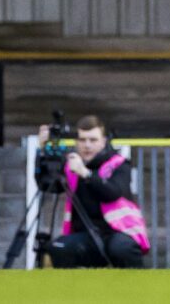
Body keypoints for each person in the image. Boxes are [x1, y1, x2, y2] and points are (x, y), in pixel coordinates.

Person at [42, 115, 149, 268]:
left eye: (93, 140)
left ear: (104, 141)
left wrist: (85, 173)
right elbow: (47, 185)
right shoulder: (71, 166)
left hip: (120, 231)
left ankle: (138, 288)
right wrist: (44, 151)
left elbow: (112, 193)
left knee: (120, 249)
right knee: (59, 248)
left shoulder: (119, 164)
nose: (87, 145)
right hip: (86, 235)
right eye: (82, 140)